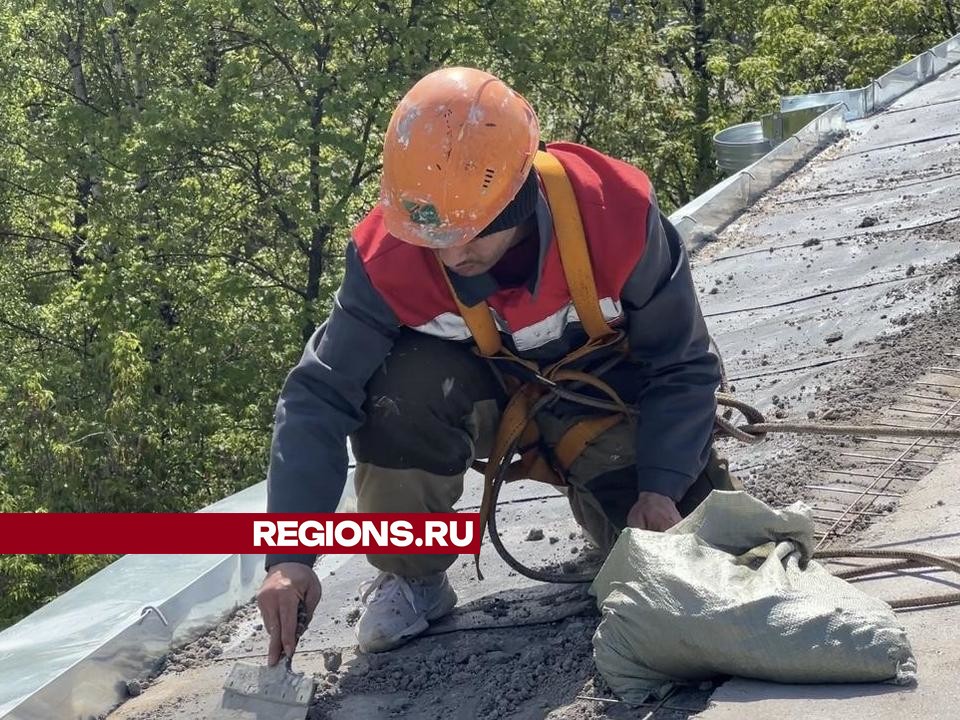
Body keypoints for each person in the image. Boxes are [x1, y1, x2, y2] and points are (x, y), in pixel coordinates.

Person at [256, 66, 735, 663]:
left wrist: (661, 487)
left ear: (517, 195)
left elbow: (682, 365)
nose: (451, 254)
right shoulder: (389, 256)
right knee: (396, 391)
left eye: (470, 232)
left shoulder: (615, 213)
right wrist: (288, 559)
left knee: (697, 570)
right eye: (436, 236)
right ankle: (414, 576)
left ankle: (618, 508)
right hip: (473, 391)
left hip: (602, 398)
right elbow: (317, 399)